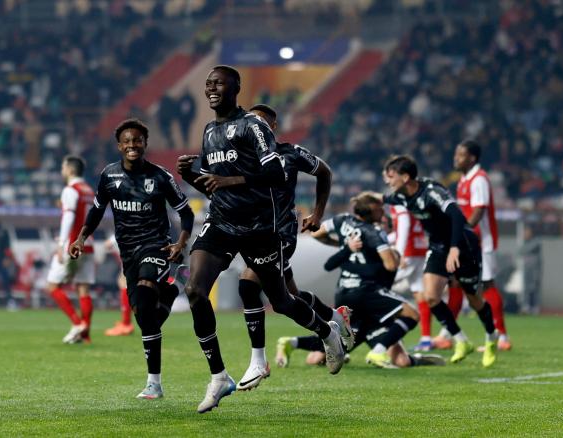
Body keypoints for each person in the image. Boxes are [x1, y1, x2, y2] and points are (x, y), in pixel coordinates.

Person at [176, 65, 345, 414]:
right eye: (207, 84)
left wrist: (230, 181)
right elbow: (212, 187)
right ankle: (219, 376)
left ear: (236, 87)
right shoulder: (209, 131)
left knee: (283, 301)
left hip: (261, 228)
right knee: (194, 290)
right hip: (222, 223)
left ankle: (326, 331)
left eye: (218, 83)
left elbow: (273, 172)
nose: (210, 89)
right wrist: (192, 175)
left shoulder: (253, 126)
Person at [229, 104, 352, 390]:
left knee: (248, 285)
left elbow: (325, 172)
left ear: (271, 128)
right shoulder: (241, 158)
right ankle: (335, 317)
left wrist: (318, 213)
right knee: (289, 296)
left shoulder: (290, 153)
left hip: (280, 232)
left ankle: (259, 361)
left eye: (259, 122)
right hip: (252, 233)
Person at [69, 118, 194, 400]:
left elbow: (186, 213)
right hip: (128, 252)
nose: (132, 145)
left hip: (156, 246)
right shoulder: (108, 176)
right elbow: (97, 212)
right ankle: (176, 286)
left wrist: (180, 243)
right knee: (146, 318)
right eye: (127, 141)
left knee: (148, 291)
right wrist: (80, 238)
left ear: (145, 143)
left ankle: (154, 384)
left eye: (137, 140)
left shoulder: (161, 177)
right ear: (119, 145)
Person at [279, 193, 443, 369]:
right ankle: (379, 350)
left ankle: (293, 343)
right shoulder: (375, 235)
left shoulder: (344, 223)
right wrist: (393, 255)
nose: (383, 220)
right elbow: (389, 265)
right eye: (382, 214)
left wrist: (343, 247)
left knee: (323, 354)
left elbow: (317, 234)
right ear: (372, 211)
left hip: (349, 297)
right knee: (410, 317)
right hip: (368, 299)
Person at [382, 155, 498, 367]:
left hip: (463, 245)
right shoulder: (401, 196)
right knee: (431, 297)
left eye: (391, 177)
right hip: (437, 247)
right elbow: (380, 198)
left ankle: (491, 338)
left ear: (406, 177)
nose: (388, 181)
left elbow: (457, 216)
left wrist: (454, 248)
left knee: (473, 299)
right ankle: (461, 341)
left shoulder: (431, 191)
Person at [433, 141, 513, 351]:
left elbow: (478, 212)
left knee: (487, 284)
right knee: (456, 284)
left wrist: (461, 233)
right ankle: (447, 334)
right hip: (468, 243)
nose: (455, 158)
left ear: (472, 158)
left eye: (460, 155)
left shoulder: (479, 180)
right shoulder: (463, 180)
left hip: (482, 242)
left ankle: (502, 337)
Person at [46, 156, 97, 344]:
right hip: (88, 243)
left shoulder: (70, 190)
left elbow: (69, 217)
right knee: (83, 288)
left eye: (62, 166)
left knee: (53, 286)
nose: (61, 170)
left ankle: (77, 324)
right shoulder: (88, 191)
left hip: (72, 245)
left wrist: (61, 245)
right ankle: (86, 335)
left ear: (69, 169)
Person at [387, 205, 431, 351]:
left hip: (408, 253)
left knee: (378, 286)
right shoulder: (413, 201)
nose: (388, 181)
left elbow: (404, 227)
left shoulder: (400, 204)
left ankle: (384, 334)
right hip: (419, 248)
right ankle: (426, 339)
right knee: (420, 293)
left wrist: (399, 254)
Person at [102, 235, 134, 337]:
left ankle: (126, 324)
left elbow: (108, 244)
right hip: (145, 251)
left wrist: (110, 241)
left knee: (124, 283)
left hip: (132, 254)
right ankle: (126, 321)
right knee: (126, 283)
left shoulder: (129, 220)